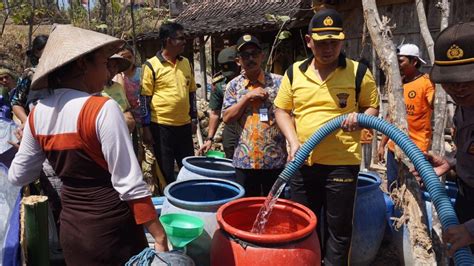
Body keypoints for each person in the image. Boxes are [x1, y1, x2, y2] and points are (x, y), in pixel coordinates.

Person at [8, 25, 167, 265]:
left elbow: (18, 175)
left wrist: (27, 148)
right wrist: (159, 234)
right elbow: (130, 185)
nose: (107, 73)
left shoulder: (36, 115)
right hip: (113, 233)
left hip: (73, 233)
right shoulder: (102, 108)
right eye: (104, 63)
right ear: (83, 64)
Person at [274, 9, 379, 265]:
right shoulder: (294, 73)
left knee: (339, 231)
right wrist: (293, 140)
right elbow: (281, 110)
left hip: (341, 163)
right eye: (321, 42)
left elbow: (371, 107)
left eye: (333, 42)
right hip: (302, 162)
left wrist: (361, 118)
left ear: (342, 40)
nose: (328, 48)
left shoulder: (357, 72)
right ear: (309, 41)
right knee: (303, 226)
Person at [417, 22, 474, 257]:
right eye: (450, 81)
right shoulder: (465, 105)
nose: (458, 88)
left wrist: (472, 230)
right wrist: (451, 163)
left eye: (467, 79)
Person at [222, 34, 287, 196]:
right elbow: (227, 118)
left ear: (262, 56)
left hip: (274, 160)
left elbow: (289, 115)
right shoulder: (233, 86)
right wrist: (246, 98)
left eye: (254, 54)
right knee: (247, 210)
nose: (251, 59)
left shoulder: (279, 82)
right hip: (245, 162)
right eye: (245, 55)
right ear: (238, 61)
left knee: (273, 209)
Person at [140, 22, 197, 184]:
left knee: (188, 169)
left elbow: (191, 92)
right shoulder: (151, 65)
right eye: (180, 38)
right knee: (166, 171)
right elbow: (144, 98)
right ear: (167, 40)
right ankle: (169, 203)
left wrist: (194, 119)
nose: (184, 41)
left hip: (184, 126)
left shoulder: (186, 63)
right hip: (161, 127)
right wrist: (146, 128)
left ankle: (188, 200)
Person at [377, 43, 435, 191]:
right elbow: (391, 116)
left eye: (401, 61)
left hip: (416, 149)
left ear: (414, 61)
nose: (398, 65)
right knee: (393, 188)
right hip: (394, 148)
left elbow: (436, 103)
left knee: (413, 190)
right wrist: (382, 144)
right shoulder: (398, 85)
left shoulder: (426, 84)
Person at [198, 46, 240, 158]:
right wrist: (209, 139)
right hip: (231, 127)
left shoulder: (251, 78)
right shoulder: (219, 84)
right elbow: (215, 113)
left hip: (252, 124)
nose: (231, 77)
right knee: (230, 154)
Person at [10, 35, 49, 125]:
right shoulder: (29, 75)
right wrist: (27, 123)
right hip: (35, 126)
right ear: (36, 53)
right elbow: (17, 103)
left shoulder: (62, 73)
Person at [102, 54, 136, 132]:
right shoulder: (95, 89)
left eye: (115, 67)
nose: (112, 70)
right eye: (108, 66)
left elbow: (126, 107)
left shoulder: (118, 87)